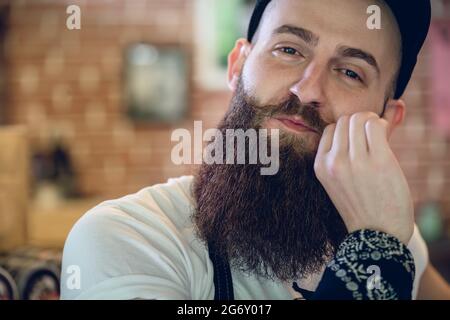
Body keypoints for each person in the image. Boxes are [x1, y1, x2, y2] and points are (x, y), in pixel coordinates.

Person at [61, 0, 450, 300]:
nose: (308, 89)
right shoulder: (128, 240)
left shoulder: (385, 233)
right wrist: (375, 257)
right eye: (289, 50)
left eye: (350, 72)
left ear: (387, 121)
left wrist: (379, 241)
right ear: (237, 66)